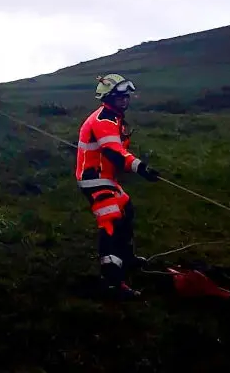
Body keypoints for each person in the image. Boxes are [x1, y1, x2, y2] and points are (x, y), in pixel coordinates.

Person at [74, 74, 161, 299]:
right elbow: (114, 152)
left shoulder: (114, 118)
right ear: (108, 97)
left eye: (126, 96)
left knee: (127, 208)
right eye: (119, 96)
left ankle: (126, 259)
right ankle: (112, 282)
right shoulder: (104, 120)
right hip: (94, 179)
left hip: (107, 179)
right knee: (111, 219)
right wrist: (141, 168)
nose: (124, 100)